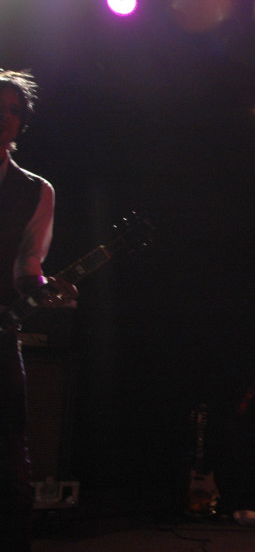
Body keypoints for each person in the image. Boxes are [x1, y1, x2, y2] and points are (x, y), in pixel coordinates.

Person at [0, 69, 72, 551]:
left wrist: (46, 289)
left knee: (11, 458)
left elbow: (28, 266)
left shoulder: (36, 190)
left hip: (1, 333)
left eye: (13, 111)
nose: (4, 118)